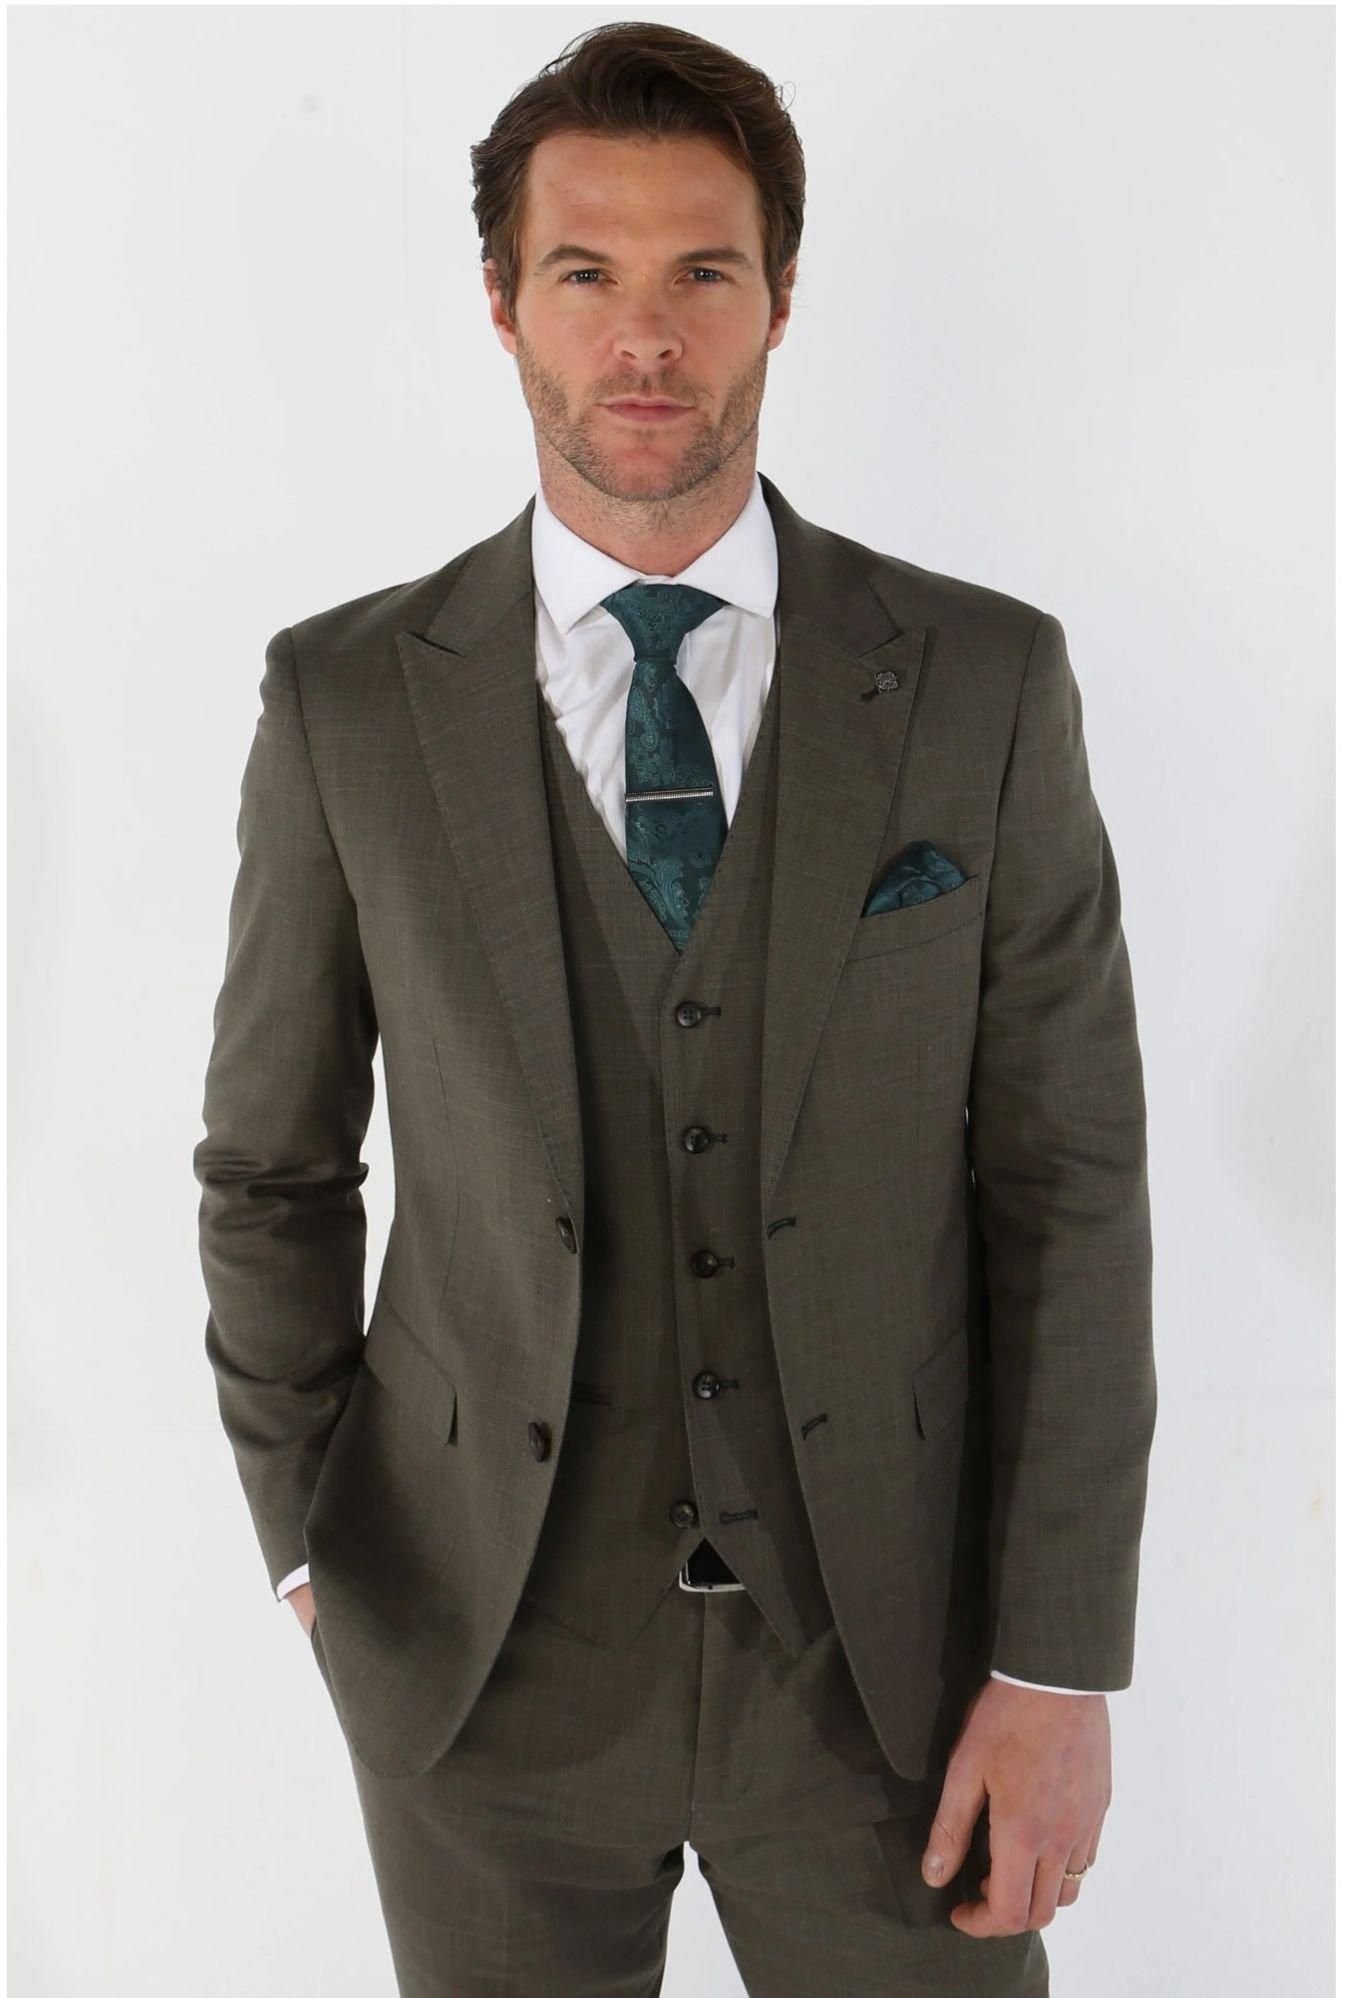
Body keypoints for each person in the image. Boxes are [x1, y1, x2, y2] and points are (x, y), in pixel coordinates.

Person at [193, 21, 1156, 1994]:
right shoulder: (345, 702)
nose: (645, 335)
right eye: (585, 271)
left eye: (702, 271)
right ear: (501, 303)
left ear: (780, 296)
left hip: (893, 1669)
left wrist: (1056, 1661)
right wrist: (314, 1549)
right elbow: (270, 1170)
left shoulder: (979, 684)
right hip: (481, 1670)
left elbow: (1069, 1187)